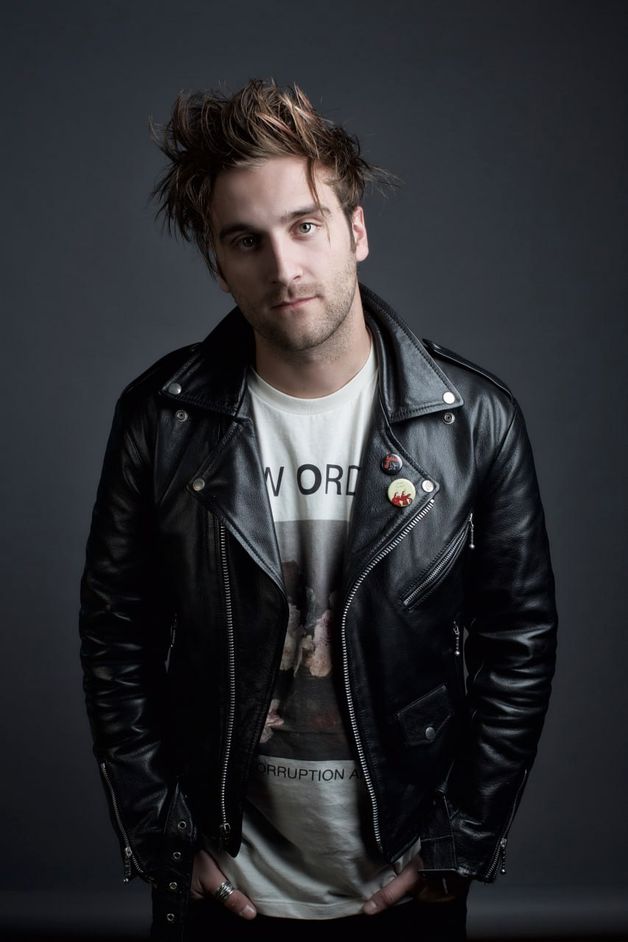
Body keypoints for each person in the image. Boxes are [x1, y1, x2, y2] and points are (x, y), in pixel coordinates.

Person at [79, 79, 558, 942]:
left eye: (305, 225)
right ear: (218, 263)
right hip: (225, 887)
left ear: (356, 231)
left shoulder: (471, 421)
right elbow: (118, 635)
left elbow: (518, 640)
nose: (283, 266)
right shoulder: (162, 418)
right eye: (246, 240)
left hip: (407, 881)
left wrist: (458, 840)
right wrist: (164, 835)